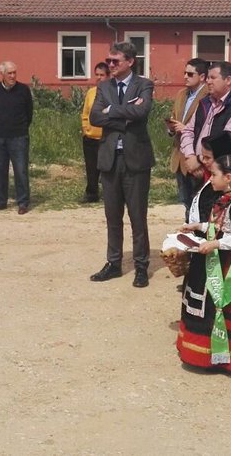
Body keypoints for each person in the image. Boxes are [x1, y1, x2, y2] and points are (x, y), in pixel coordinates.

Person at [167, 145, 231, 374]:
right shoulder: (222, 199)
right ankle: (202, 353)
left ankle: (225, 358)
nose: (210, 178)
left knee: (223, 309)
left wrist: (214, 243)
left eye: (214, 174)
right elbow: (218, 226)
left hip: (230, 266)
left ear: (229, 177)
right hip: (214, 260)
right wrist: (198, 226)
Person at [89, 42, 155, 287]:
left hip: (135, 160)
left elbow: (142, 113)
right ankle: (113, 263)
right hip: (109, 160)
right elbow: (95, 117)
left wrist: (111, 111)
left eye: (115, 61)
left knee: (138, 216)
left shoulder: (144, 84)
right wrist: (125, 112)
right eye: (108, 61)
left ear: (130, 61)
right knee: (112, 216)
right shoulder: (104, 86)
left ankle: (140, 266)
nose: (110, 65)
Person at [178, 61, 231, 185]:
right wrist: (190, 156)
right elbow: (188, 130)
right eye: (208, 78)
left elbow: (228, 144)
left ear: (228, 80)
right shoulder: (205, 103)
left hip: (226, 179)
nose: (208, 81)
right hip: (198, 173)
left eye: (213, 78)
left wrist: (199, 159)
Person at [0, 61, 33, 214]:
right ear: (2, 74)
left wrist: (20, 128)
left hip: (19, 136)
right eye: (10, 73)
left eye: (14, 72)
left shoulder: (23, 90)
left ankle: (23, 202)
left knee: (20, 171)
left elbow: (29, 113)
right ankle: (0, 201)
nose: (13, 76)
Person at [168, 58, 208, 217]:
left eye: (190, 74)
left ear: (202, 77)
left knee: (199, 201)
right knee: (185, 200)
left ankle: (199, 234)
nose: (185, 76)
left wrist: (187, 130)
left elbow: (207, 126)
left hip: (197, 156)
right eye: (184, 73)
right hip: (179, 156)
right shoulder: (180, 94)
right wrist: (171, 128)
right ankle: (189, 230)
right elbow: (174, 115)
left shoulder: (208, 96)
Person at [79, 62, 108, 204]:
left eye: (102, 75)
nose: (99, 77)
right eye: (97, 75)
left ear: (108, 77)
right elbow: (85, 113)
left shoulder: (111, 93)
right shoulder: (91, 93)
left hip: (106, 138)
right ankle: (91, 194)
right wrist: (85, 128)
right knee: (91, 168)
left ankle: (110, 194)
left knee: (107, 169)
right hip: (90, 138)